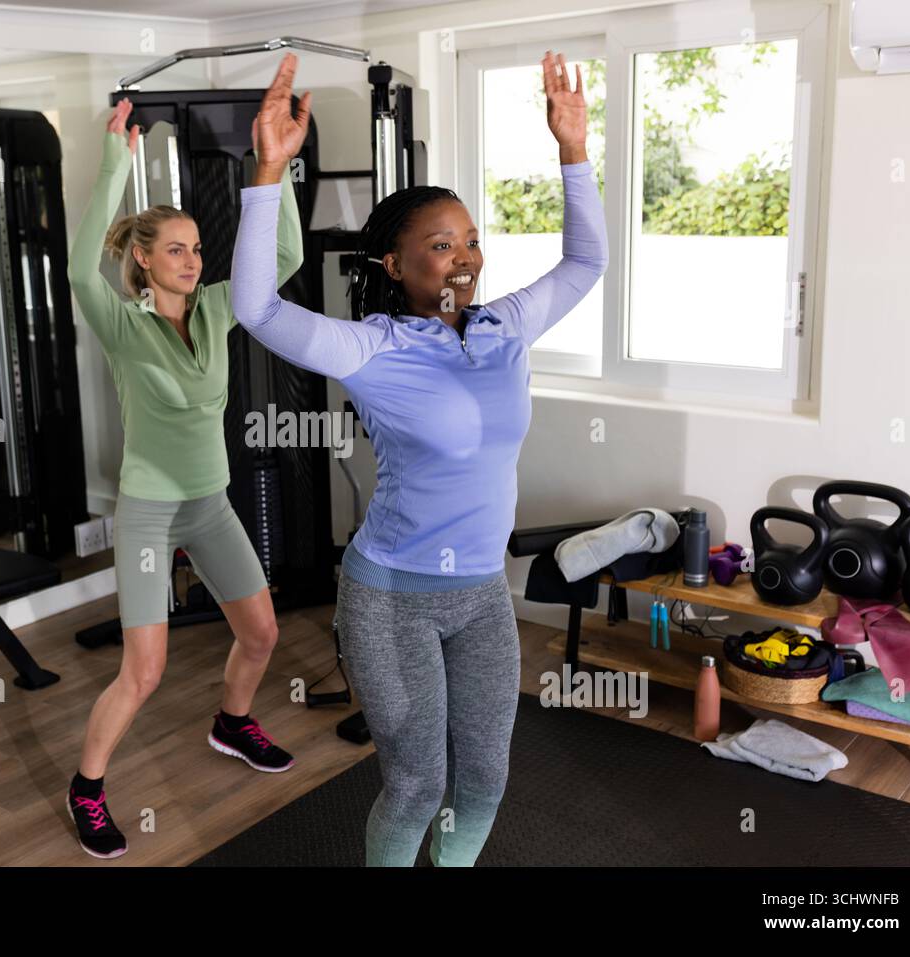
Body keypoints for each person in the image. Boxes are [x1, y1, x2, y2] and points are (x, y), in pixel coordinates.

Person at [231, 51, 608, 865]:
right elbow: (256, 306)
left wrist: (573, 151)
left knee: (485, 777)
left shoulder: (507, 326)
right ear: (394, 266)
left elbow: (586, 263)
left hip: (481, 598)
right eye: (441, 246)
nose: (465, 258)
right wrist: (267, 172)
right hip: (391, 599)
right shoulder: (372, 347)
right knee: (413, 784)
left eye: (471, 240)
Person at [63, 65, 306, 859]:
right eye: (176, 249)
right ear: (143, 257)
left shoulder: (214, 308)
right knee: (144, 669)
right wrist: (111, 165)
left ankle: (232, 721)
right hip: (147, 509)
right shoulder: (121, 321)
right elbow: (76, 270)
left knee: (262, 632)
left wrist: (273, 166)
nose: (194, 260)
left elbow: (287, 256)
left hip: (211, 501)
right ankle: (88, 786)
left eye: (198, 247)